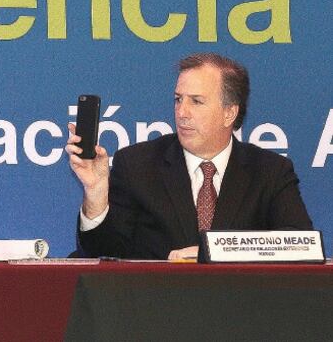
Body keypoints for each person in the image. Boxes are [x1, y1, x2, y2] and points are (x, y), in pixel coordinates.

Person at [66, 52, 312, 260]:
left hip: (241, 301)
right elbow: (103, 255)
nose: (182, 112)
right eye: (178, 99)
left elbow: (300, 247)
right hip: (157, 301)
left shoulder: (270, 172)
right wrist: (96, 194)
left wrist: (211, 254)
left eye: (196, 101)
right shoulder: (137, 165)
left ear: (229, 113)